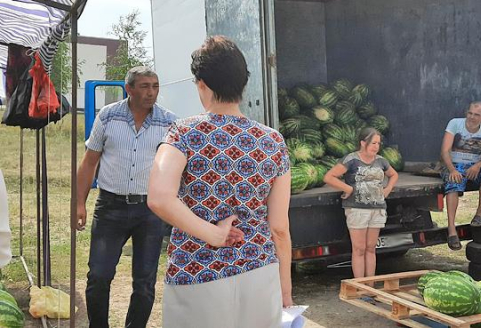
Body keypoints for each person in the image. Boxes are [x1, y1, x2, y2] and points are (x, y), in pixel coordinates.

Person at [147, 36, 292, 328]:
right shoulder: (273, 141)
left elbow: (160, 197)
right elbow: (279, 227)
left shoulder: (183, 133)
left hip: (197, 274)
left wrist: (212, 235)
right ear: (242, 84)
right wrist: (285, 289)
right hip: (259, 272)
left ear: (202, 84)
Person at [76, 66, 177, 328]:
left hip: (150, 210)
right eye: (144, 86)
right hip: (111, 207)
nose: (151, 92)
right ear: (129, 89)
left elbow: (180, 168)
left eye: (155, 86)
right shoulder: (108, 117)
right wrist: (79, 204)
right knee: (99, 275)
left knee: (144, 282)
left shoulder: (169, 122)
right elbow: (89, 162)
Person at [324, 128, 399, 279]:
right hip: (357, 210)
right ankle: (360, 285)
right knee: (359, 249)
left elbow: (393, 174)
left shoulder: (381, 161)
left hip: (377, 209)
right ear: (363, 143)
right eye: (373, 143)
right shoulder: (351, 159)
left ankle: (370, 286)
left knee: (371, 249)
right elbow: (329, 177)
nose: (376, 146)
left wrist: (388, 189)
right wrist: (348, 188)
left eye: (378, 143)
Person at [440, 101, 481, 250]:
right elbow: (445, 151)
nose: (472, 117)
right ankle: (452, 229)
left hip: (473, 167)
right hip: (454, 165)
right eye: (470, 113)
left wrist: (477, 166)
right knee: (454, 181)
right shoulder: (454, 124)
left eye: (476, 115)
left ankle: (479, 215)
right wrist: (452, 169)